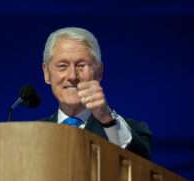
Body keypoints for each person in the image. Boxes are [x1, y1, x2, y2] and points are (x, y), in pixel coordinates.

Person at [41, 27, 151, 159]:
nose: (72, 76)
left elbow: (141, 167)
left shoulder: (132, 131)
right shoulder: (33, 135)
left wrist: (106, 119)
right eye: (62, 66)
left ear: (99, 72)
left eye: (81, 65)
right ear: (47, 73)